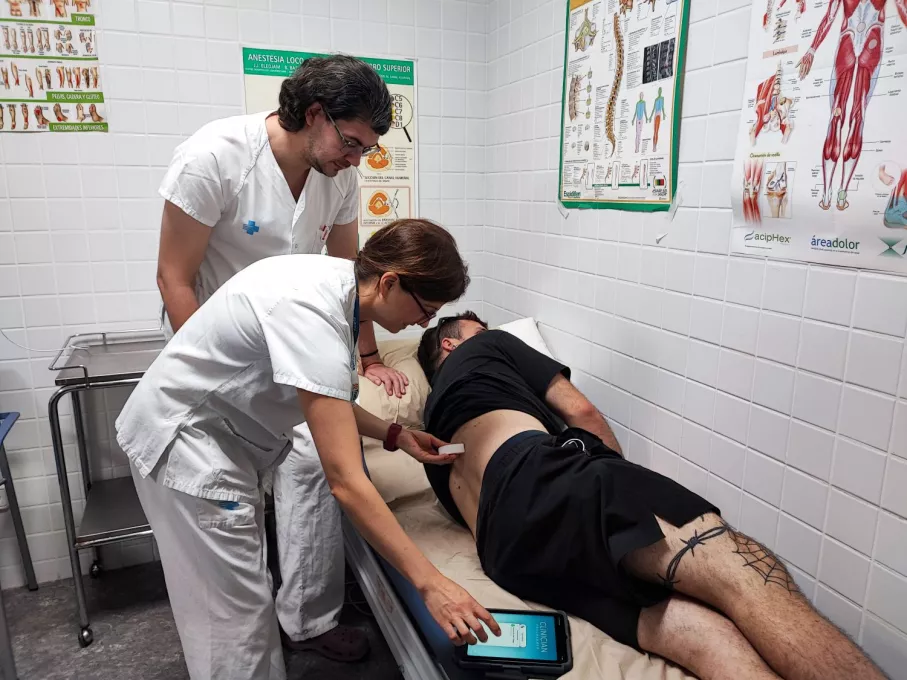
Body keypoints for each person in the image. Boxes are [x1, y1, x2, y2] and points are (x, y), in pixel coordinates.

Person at [116, 222, 501, 680]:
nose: (423, 324)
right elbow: (346, 482)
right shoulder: (312, 311)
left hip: (203, 440)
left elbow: (325, 397)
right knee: (233, 624)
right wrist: (431, 584)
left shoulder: (333, 285)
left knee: (239, 602)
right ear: (390, 281)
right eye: (426, 309)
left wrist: (396, 435)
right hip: (188, 451)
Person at [415, 312, 887, 680]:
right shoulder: (491, 346)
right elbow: (582, 411)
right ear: (452, 343)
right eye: (481, 328)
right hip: (540, 477)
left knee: (697, 636)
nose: (492, 332)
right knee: (742, 574)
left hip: (504, 553)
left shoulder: (434, 425)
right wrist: (612, 474)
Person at [155, 54, 410, 661]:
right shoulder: (214, 157)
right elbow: (174, 278)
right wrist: (216, 384)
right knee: (230, 516)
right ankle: (242, 622)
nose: (357, 159)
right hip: (219, 361)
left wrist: (366, 358)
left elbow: (353, 282)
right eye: (352, 143)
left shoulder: (338, 175)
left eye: (367, 150)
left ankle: (308, 618)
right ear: (313, 114)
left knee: (317, 466)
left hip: (293, 357)